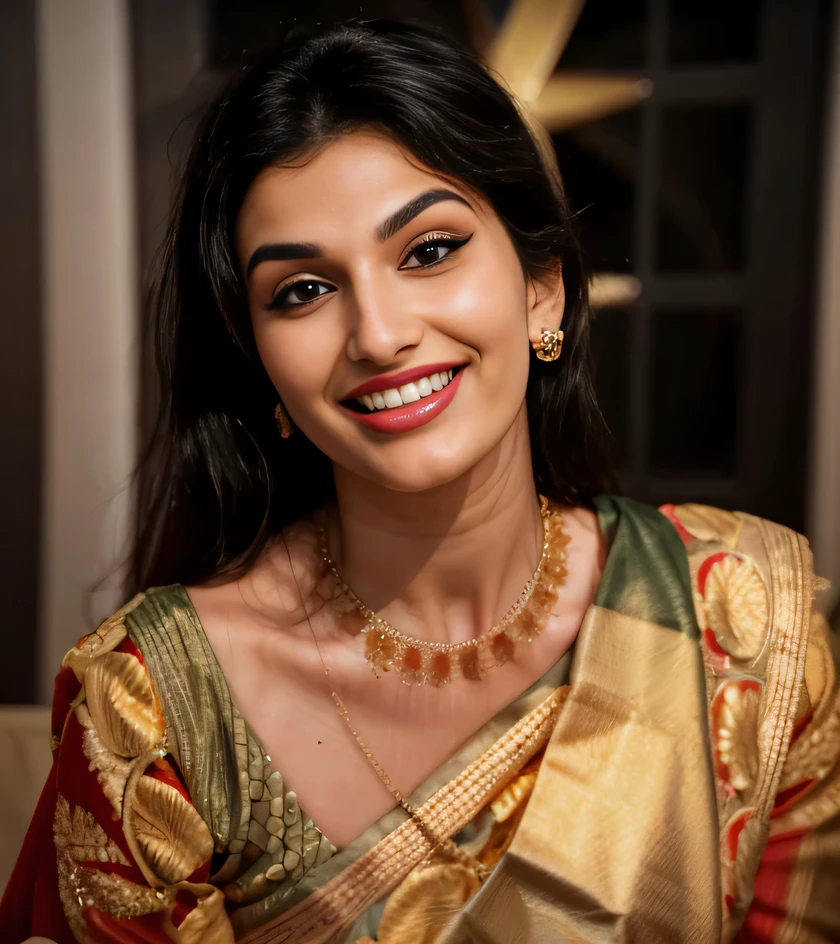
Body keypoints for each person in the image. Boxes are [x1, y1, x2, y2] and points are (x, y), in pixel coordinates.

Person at [3, 18, 838, 944]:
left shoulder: (741, 626)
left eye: (429, 250)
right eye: (303, 290)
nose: (378, 333)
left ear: (543, 290)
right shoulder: (155, 712)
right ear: (260, 365)